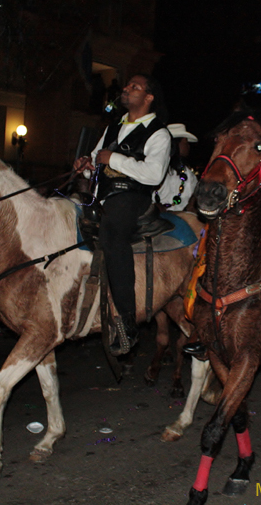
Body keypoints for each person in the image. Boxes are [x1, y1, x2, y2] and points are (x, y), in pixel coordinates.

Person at [73, 74, 171, 356]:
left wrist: (112, 159)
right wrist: (86, 166)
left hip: (134, 197)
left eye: (134, 87)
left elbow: (153, 174)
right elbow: (96, 161)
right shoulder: (114, 126)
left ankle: (128, 320)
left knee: (113, 232)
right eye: (127, 86)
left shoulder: (159, 133)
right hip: (103, 194)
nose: (126, 90)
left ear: (148, 97)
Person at [154, 123, 198, 211]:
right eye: (185, 142)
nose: (188, 146)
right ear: (176, 144)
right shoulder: (156, 167)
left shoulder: (188, 174)